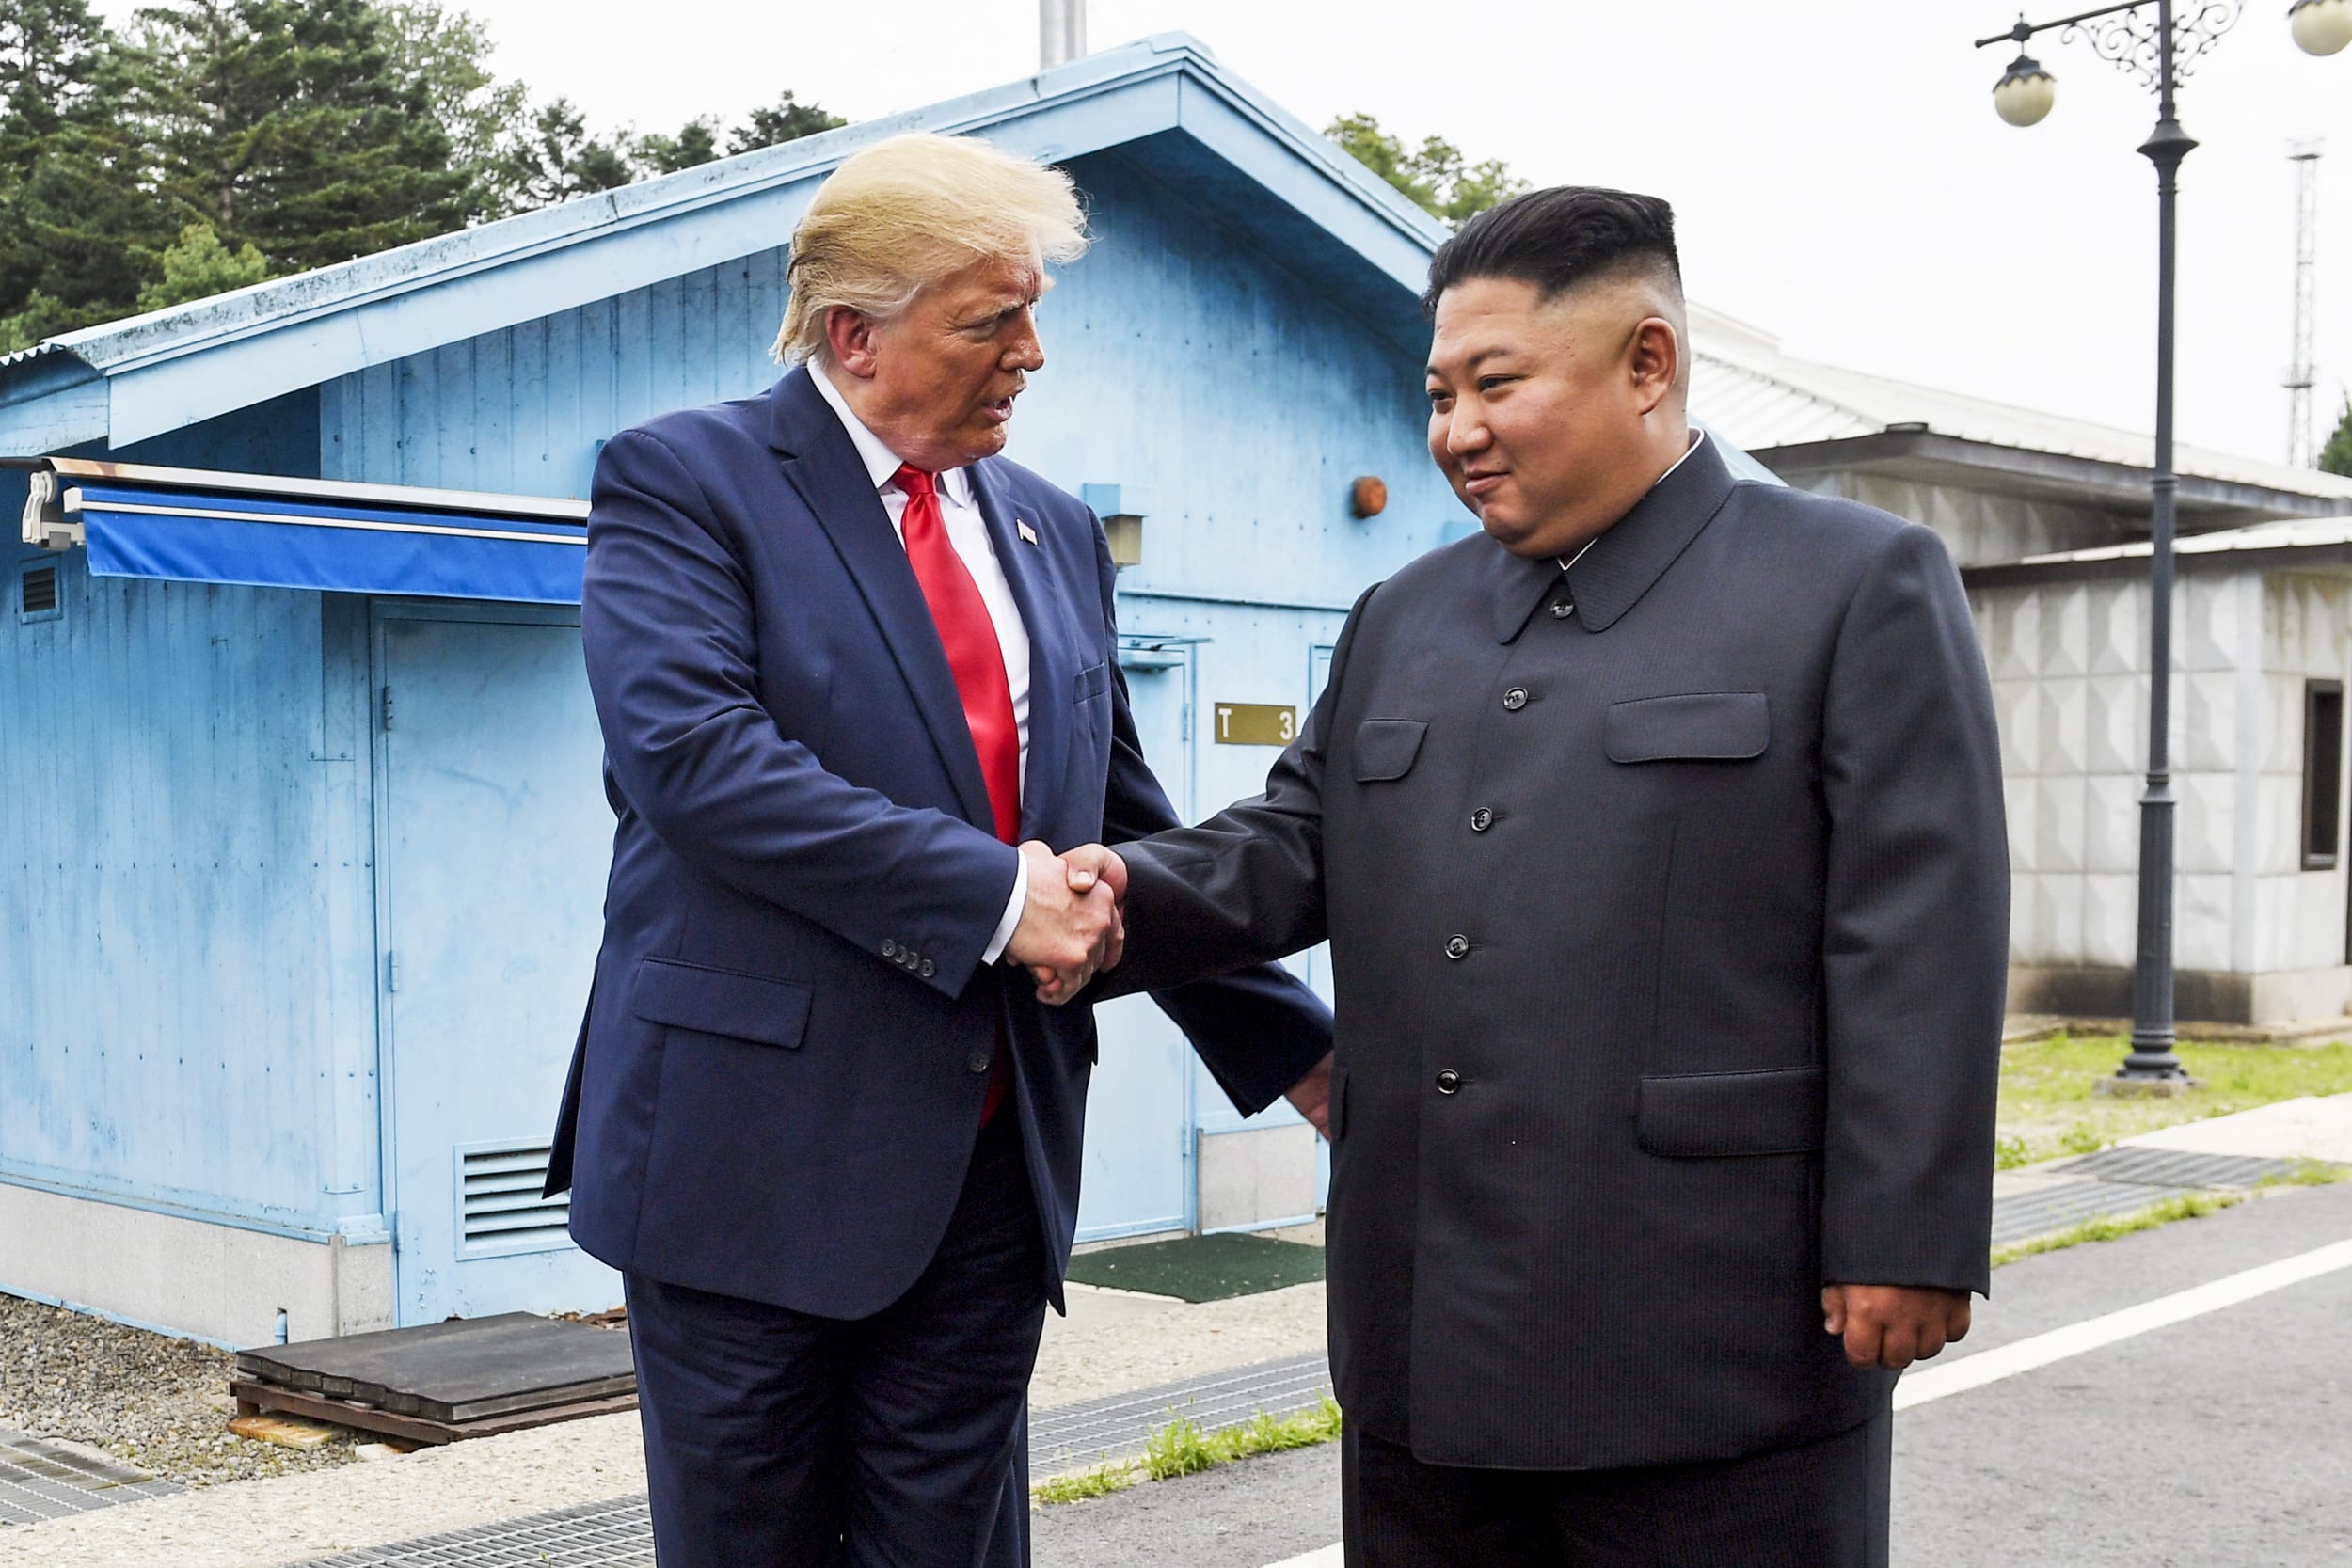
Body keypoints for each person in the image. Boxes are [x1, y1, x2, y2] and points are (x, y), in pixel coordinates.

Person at [1058, 186, 2009, 1567]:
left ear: (1647, 364)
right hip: (1422, 1334)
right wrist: (1109, 900)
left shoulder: (1849, 583)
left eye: (1496, 386)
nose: (1456, 432)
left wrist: (1910, 1232)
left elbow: (1918, 927)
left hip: (1710, 1334)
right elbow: (1298, 839)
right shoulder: (1407, 612)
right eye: (1439, 392)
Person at [541, 132, 1334, 1568]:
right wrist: (992, 894)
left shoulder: (1052, 529)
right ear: (856, 332)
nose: (1030, 353)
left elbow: (1120, 827)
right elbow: (693, 762)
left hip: (989, 1160)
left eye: (1033, 314)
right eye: (990, 320)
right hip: (748, 1167)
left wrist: (1290, 1045)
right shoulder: (684, 480)